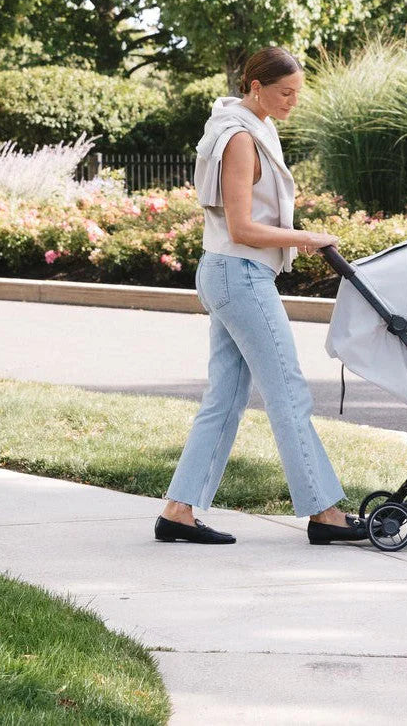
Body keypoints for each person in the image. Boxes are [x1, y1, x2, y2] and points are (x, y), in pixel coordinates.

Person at [156, 46, 369, 547]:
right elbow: (242, 227)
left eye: (297, 92)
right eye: (284, 92)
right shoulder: (241, 139)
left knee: (226, 397)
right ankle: (324, 513)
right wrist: (306, 238)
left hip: (231, 273)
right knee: (288, 391)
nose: (293, 101)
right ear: (255, 87)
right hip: (239, 273)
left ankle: (178, 512)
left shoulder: (250, 126)